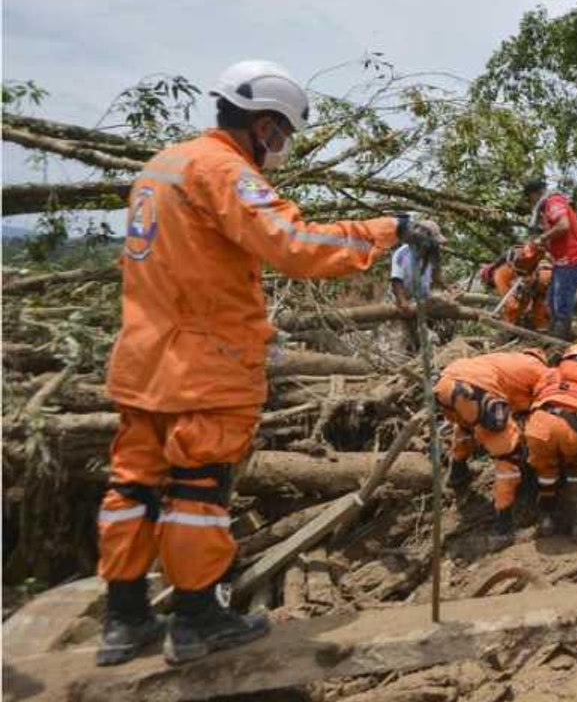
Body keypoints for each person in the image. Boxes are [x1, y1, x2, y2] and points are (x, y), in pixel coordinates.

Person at [96, 60, 441, 667]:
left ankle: (125, 619)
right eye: (280, 136)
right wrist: (391, 228)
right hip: (203, 364)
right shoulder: (223, 169)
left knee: (133, 486)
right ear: (263, 126)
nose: (279, 149)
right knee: (198, 491)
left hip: (143, 359)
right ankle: (198, 619)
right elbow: (296, 244)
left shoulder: (161, 166)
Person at [435, 349, 549, 549]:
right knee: (507, 456)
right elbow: (542, 406)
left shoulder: (506, 360)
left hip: (446, 384)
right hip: (477, 391)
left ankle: (457, 471)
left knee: (466, 425)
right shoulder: (540, 369)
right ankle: (502, 528)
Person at [524, 344, 577, 540]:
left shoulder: (550, 373)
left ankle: (546, 521)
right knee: (576, 470)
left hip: (539, 425)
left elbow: (535, 392)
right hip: (571, 427)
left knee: (545, 474)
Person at [525, 179, 577, 340]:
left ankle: (559, 343)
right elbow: (556, 237)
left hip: (571, 262)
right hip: (562, 263)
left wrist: (542, 238)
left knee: (561, 306)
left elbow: (563, 226)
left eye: (530, 198)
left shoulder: (553, 202)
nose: (531, 203)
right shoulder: (547, 209)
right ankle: (555, 336)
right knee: (552, 302)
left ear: (534, 194)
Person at [389, 221, 449, 351]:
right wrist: (403, 302)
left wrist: (448, 289)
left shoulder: (433, 253)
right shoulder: (401, 254)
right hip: (403, 298)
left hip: (423, 298)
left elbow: (436, 276)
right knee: (405, 340)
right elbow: (396, 281)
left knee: (436, 330)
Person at [487, 242, 553, 331]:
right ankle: (510, 327)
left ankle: (539, 326)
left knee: (536, 303)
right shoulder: (503, 272)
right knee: (515, 305)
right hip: (529, 276)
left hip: (536, 277)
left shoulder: (535, 259)